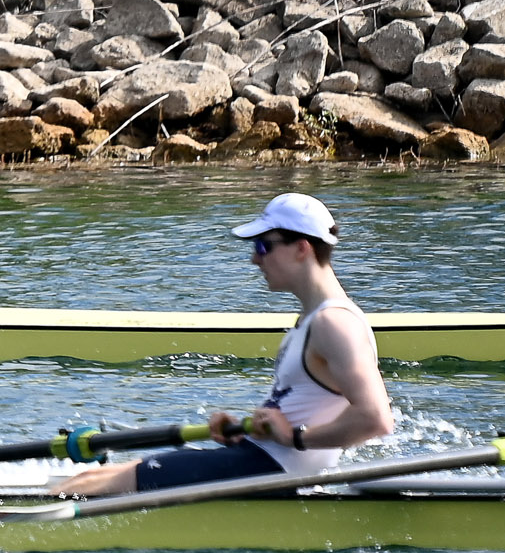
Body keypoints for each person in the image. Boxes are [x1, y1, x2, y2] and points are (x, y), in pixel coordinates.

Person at [56, 193, 394, 496]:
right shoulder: (312, 320)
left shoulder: (334, 323)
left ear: (302, 248)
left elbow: (375, 418)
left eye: (263, 246)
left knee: (91, 485)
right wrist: (245, 430)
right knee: (100, 475)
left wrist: (294, 438)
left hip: (274, 472)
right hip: (259, 458)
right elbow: (310, 408)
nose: (254, 259)